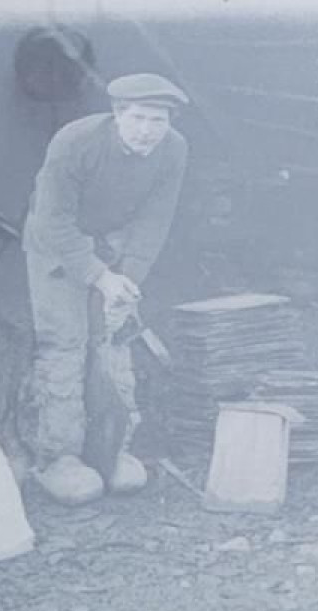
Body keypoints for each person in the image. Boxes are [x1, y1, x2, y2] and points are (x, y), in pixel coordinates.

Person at [19, 72, 190, 504]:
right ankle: (57, 457)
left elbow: (155, 220)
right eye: (139, 119)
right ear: (117, 114)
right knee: (65, 342)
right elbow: (52, 219)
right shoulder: (74, 143)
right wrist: (97, 275)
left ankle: (113, 448)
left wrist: (126, 280)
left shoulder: (173, 150)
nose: (148, 131)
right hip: (56, 244)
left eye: (158, 121)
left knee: (113, 340)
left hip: (114, 244)